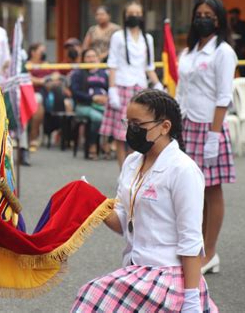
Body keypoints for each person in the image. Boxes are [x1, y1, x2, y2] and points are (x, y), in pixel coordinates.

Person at [72, 89, 217, 313]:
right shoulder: (132, 162)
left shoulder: (183, 170)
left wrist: (191, 301)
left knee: (91, 298)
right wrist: (94, 201)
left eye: (138, 124)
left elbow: (191, 240)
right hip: (136, 269)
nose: (131, 130)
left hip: (169, 273)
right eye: (128, 123)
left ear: (165, 127)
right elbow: (122, 223)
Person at [176, 0, 237, 274]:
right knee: (193, 190)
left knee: (212, 190)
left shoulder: (223, 52)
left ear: (219, 19)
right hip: (188, 124)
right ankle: (196, 248)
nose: (203, 18)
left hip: (210, 126)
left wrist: (214, 136)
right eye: (198, 13)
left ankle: (211, 252)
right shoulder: (188, 52)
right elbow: (180, 91)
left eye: (209, 15)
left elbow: (223, 96)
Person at [99, 1, 163, 168]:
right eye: (130, 13)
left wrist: (158, 85)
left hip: (140, 88)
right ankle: (123, 171)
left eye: (137, 13)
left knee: (141, 131)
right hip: (121, 85)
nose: (134, 16)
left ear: (142, 15)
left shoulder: (147, 38)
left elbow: (149, 67)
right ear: (125, 16)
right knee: (121, 135)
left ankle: (135, 169)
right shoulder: (118, 36)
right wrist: (111, 89)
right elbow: (112, 64)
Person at [70, 48, 108, 159]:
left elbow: (111, 88)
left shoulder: (104, 73)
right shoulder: (78, 73)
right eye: (88, 57)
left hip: (103, 105)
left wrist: (106, 98)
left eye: (93, 56)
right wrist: (93, 98)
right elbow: (75, 92)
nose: (91, 59)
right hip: (83, 106)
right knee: (97, 118)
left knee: (116, 117)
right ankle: (92, 144)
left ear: (98, 58)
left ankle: (107, 143)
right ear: (83, 59)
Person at [228, 7, 245, 77]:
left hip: (240, 49)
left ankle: (244, 84)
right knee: (231, 68)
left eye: (233, 14)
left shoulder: (243, 24)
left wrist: (244, 47)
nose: (232, 16)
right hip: (231, 49)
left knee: (242, 68)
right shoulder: (229, 24)